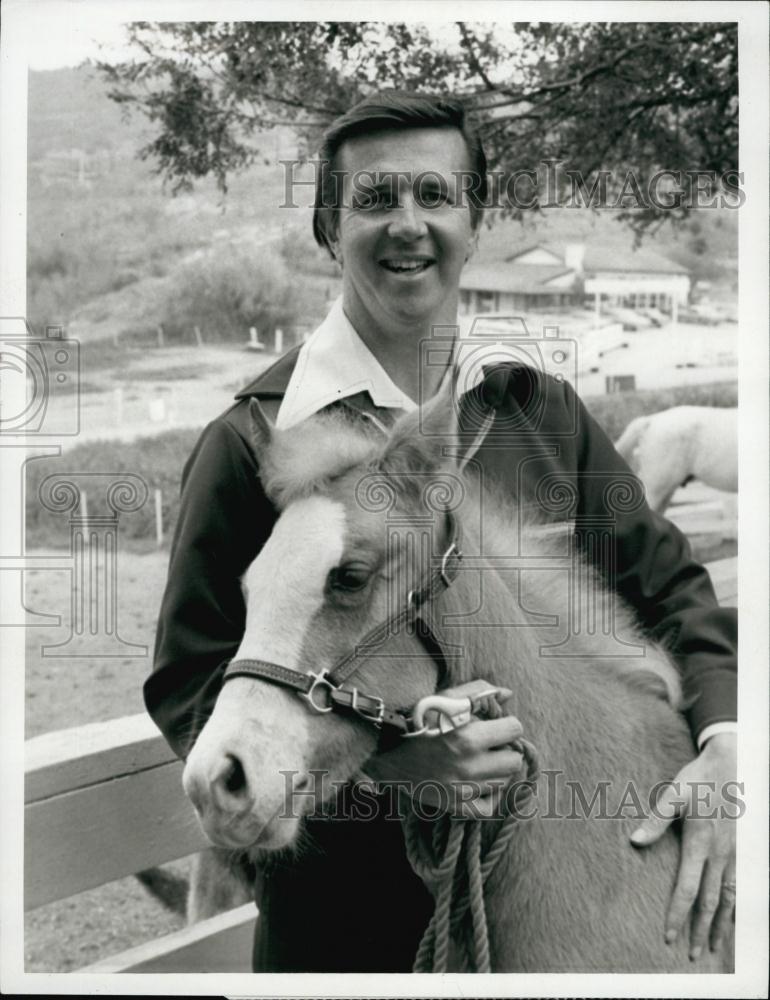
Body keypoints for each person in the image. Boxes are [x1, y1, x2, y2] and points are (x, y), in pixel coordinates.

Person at [146, 92, 737, 971]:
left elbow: (671, 591)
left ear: (474, 217)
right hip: (351, 936)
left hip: (565, 926)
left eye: (435, 195)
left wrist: (726, 742)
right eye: (376, 200)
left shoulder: (541, 416)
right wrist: (393, 775)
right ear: (328, 227)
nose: (408, 226)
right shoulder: (248, 442)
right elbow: (192, 681)